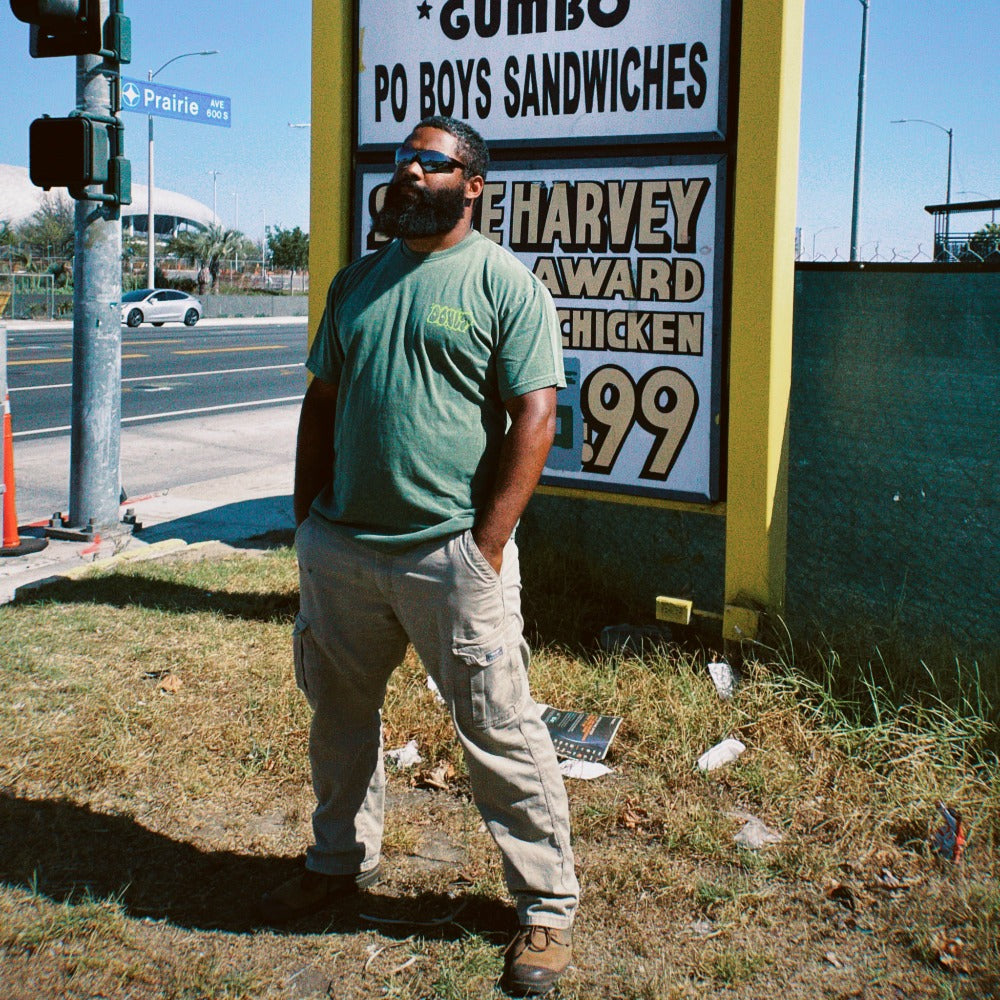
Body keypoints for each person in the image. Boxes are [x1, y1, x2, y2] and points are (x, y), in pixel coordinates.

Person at [260, 116, 579, 996]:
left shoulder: (504, 284)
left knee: (500, 731)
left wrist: (488, 545)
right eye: (400, 159)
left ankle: (546, 910)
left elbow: (536, 419)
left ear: (471, 185)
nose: (405, 172)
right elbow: (321, 402)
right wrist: (307, 521)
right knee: (339, 719)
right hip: (344, 552)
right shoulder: (356, 281)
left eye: (428, 163)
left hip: (451, 556)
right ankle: (337, 864)